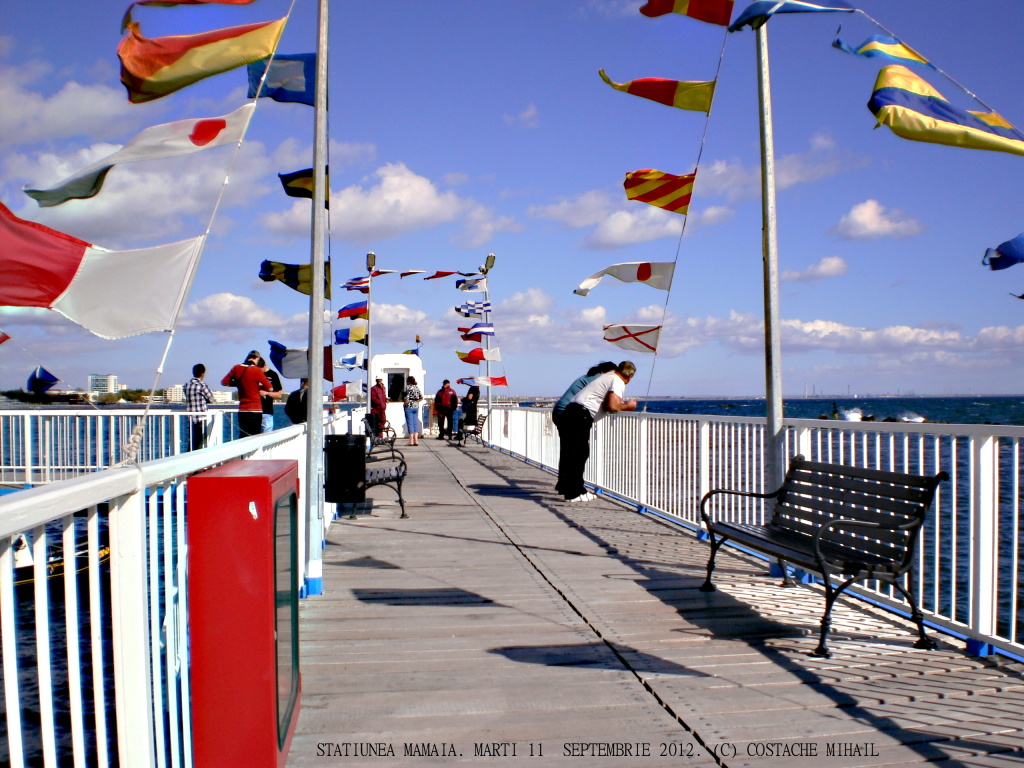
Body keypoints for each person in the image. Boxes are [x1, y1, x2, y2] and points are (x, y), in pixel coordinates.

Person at [555, 361, 637, 503]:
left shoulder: (608, 376)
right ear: (630, 376)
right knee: (579, 454)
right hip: (581, 415)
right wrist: (629, 406)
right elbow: (613, 405)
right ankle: (575, 493)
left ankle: (572, 489)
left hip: (571, 411)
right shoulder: (617, 380)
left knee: (572, 453)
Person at [222, 352, 272, 438]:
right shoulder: (256, 370)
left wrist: (239, 383)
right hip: (256, 409)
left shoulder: (236, 368)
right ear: (256, 358)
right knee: (255, 436)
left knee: (243, 435)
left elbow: (224, 382)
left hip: (243, 409)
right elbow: (270, 388)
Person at [184, 363, 214, 450]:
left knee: (192, 441)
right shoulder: (202, 385)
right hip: (200, 418)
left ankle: (189, 457)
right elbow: (211, 399)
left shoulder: (187, 385)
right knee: (199, 442)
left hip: (190, 417)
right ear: (202, 373)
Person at [260, 358, 284, 432]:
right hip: (254, 412)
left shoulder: (273, 375)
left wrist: (266, 393)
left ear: (264, 365)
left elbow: (279, 395)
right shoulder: (253, 374)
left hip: (266, 412)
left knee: (266, 436)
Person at [403, 375, 423, 446]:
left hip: (409, 406)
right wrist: (416, 401)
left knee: (410, 423)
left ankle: (411, 440)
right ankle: (416, 440)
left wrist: (405, 403)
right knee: (415, 423)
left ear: (408, 381)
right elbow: (421, 397)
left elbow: (406, 398)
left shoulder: (408, 388)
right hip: (416, 406)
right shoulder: (416, 387)